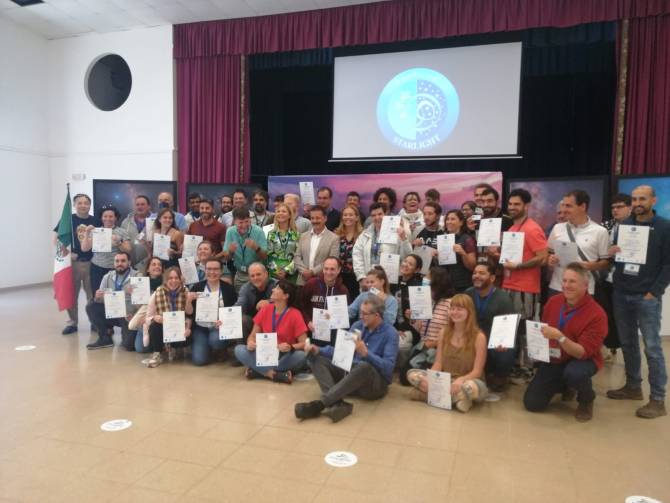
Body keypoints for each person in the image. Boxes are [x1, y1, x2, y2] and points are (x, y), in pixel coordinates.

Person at [607, 185, 670, 419]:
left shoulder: (664, 227)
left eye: (642, 199)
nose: (637, 203)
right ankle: (633, 387)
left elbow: (668, 264)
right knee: (628, 343)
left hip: (647, 297)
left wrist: (654, 292)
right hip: (622, 292)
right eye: (634, 199)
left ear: (653, 200)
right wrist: (613, 253)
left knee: (652, 348)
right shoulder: (623, 226)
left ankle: (658, 399)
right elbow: (618, 261)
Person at [523, 263, 607, 422]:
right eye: (565, 280)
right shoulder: (553, 302)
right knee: (533, 403)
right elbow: (544, 332)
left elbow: (582, 352)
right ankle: (565, 385)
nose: (566, 285)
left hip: (583, 359)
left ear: (585, 285)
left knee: (574, 373)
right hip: (557, 356)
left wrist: (560, 337)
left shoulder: (597, 314)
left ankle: (586, 399)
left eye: (572, 281)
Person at [295, 295, 399, 422]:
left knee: (364, 366)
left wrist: (367, 354)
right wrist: (318, 350)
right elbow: (341, 352)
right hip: (350, 376)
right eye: (360, 312)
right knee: (315, 357)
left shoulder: (390, 333)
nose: (361, 316)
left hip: (373, 385)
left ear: (377, 315)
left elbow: (388, 368)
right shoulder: (357, 325)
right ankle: (337, 403)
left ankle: (320, 404)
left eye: (365, 314)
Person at [406, 293, 489, 412]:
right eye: (452, 308)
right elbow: (438, 363)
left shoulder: (479, 337)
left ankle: (430, 395)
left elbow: (477, 371)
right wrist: (430, 377)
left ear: (469, 312)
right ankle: (458, 399)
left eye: (459, 309)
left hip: (468, 381)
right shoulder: (444, 333)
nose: (455, 312)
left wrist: (461, 380)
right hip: (445, 380)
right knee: (412, 374)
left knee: (472, 388)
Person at [234, 280, 308, 384]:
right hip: (264, 352)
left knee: (302, 356)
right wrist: (250, 342)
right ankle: (273, 374)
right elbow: (252, 336)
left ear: (286, 296)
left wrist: (290, 347)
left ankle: (257, 370)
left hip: (283, 355)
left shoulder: (295, 314)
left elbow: (304, 343)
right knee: (239, 349)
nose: (273, 289)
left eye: (277, 288)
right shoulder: (265, 309)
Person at [547, 190, 609, 297]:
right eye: (563, 205)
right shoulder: (557, 228)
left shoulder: (600, 231)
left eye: (568, 206)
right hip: (557, 287)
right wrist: (550, 260)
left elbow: (606, 262)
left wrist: (592, 266)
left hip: (584, 290)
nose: (564, 210)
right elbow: (548, 254)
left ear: (583, 206)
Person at [499, 188, 549, 323]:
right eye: (510, 204)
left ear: (526, 206)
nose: (512, 207)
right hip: (508, 285)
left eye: (516, 204)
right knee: (509, 327)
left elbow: (543, 257)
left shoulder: (532, 229)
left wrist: (518, 266)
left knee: (523, 328)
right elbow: (511, 258)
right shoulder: (512, 228)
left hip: (525, 288)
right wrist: (496, 254)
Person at [53, 193, 100, 335]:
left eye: (86, 203)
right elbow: (57, 240)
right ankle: (73, 322)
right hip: (73, 264)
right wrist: (68, 254)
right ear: (74, 205)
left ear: (90, 205)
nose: (83, 205)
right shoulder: (68, 220)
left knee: (92, 294)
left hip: (92, 263)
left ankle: (94, 322)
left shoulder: (96, 220)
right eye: (80, 203)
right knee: (72, 294)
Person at [466, 263, 517, 391]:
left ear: (492, 278)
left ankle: (500, 376)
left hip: (493, 343)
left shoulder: (503, 299)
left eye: (482, 273)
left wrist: (503, 342)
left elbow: (509, 328)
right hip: (473, 340)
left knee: (506, 352)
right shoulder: (468, 294)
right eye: (475, 273)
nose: (477, 276)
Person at [402, 267, 455, 379]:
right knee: (405, 376)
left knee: (417, 376)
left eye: (428, 276)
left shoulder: (450, 303)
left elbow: (454, 332)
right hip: (423, 345)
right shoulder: (426, 301)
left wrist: (435, 343)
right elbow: (421, 329)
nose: (424, 279)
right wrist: (412, 318)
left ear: (437, 281)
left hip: (440, 348)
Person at [188, 258, 238, 366]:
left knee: (215, 341)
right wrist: (188, 300)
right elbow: (189, 313)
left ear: (221, 271)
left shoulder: (228, 289)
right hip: (200, 327)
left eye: (215, 269)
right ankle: (205, 346)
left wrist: (225, 321)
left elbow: (234, 311)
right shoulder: (197, 287)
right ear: (205, 270)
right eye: (209, 269)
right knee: (199, 360)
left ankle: (220, 348)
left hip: (219, 327)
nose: (212, 272)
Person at [600, 193, 632, 356]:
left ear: (630, 208)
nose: (615, 210)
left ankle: (628, 355)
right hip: (605, 278)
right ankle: (609, 345)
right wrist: (608, 251)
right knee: (606, 314)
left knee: (625, 319)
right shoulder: (605, 226)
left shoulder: (638, 228)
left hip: (628, 280)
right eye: (613, 207)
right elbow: (597, 249)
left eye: (620, 207)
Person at [85, 252, 138, 350]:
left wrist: (135, 314)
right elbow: (100, 300)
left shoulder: (137, 276)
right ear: (114, 263)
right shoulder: (108, 276)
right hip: (112, 313)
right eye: (117, 261)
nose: (119, 264)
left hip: (128, 316)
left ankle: (126, 333)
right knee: (91, 306)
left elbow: (144, 302)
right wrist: (98, 297)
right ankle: (105, 337)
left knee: (129, 346)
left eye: (123, 261)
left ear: (129, 262)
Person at [142, 266, 194, 368]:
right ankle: (157, 353)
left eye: (176, 278)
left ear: (180, 279)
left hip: (180, 328)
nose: (173, 281)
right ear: (165, 279)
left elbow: (189, 314)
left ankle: (174, 348)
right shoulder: (157, 292)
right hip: (163, 327)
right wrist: (155, 318)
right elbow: (148, 317)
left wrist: (188, 328)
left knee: (188, 336)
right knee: (154, 326)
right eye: (170, 278)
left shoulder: (185, 291)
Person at [353, 202, 412, 290]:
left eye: (380, 214)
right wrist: (361, 277)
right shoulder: (365, 235)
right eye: (373, 215)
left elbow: (408, 257)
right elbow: (357, 256)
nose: (377, 218)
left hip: (390, 281)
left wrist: (404, 238)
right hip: (369, 281)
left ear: (386, 214)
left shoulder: (398, 233)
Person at [80, 205, 132, 296]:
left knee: (114, 295)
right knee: (98, 294)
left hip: (116, 268)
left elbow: (128, 250)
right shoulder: (96, 231)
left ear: (115, 218)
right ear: (101, 217)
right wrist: (87, 232)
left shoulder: (121, 231)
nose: (108, 219)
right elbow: (84, 248)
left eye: (111, 216)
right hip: (97, 268)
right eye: (105, 216)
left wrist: (119, 242)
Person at [301, 257, 350, 346]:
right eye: (326, 269)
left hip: (331, 336)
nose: (328, 272)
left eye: (332, 269)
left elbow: (344, 317)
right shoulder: (311, 284)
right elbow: (300, 305)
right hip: (311, 331)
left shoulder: (343, 291)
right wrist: (308, 321)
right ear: (323, 269)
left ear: (339, 270)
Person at [223, 207, 268, 292]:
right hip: (240, 274)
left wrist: (256, 248)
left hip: (257, 275)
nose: (244, 225)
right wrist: (230, 252)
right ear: (234, 221)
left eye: (247, 221)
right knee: (240, 298)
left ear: (250, 220)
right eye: (240, 222)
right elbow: (226, 257)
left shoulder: (258, 231)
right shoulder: (230, 231)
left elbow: (265, 257)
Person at [294, 206, 339, 286]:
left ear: (325, 218)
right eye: (312, 218)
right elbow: (297, 256)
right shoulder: (303, 236)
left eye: (318, 218)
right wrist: (304, 271)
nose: (315, 221)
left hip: (322, 282)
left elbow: (333, 260)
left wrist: (312, 272)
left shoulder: (334, 238)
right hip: (302, 281)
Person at [129, 257, 164, 353]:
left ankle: (158, 343)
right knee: (140, 349)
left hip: (159, 317)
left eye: (159, 265)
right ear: (148, 269)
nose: (157, 266)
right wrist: (134, 295)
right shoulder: (140, 284)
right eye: (154, 264)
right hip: (145, 317)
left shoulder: (167, 283)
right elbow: (140, 308)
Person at [235, 262, 277, 340]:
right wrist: (225, 317)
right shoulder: (245, 288)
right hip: (253, 322)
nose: (255, 278)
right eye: (252, 276)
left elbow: (288, 301)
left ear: (266, 274)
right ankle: (244, 345)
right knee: (242, 319)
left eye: (258, 274)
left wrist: (269, 302)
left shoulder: (277, 285)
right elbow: (239, 305)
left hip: (274, 320)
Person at [443, 210, 477, 292]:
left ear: (461, 222)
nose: (449, 222)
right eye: (447, 219)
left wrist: (463, 253)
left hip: (463, 284)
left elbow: (472, 266)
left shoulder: (467, 239)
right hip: (447, 284)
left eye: (453, 219)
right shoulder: (443, 239)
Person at [265, 202, 299, 283]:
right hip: (274, 272)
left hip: (291, 273)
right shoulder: (271, 234)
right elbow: (267, 256)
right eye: (278, 211)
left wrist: (286, 270)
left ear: (290, 215)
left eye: (284, 211)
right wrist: (276, 270)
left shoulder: (296, 234)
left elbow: (299, 256)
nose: (280, 213)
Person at [335, 204, 364, 298]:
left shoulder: (363, 235)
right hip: (339, 277)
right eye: (345, 215)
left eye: (351, 215)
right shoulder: (336, 235)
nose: (347, 217)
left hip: (357, 277)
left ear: (357, 218)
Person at [119, 194, 152, 273]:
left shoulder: (156, 221)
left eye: (142, 204)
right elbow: (122, 242)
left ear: (149, 206)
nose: (140, 207)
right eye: (137, 204)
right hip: (130, 265)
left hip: (149, 264)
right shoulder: (125, 222)